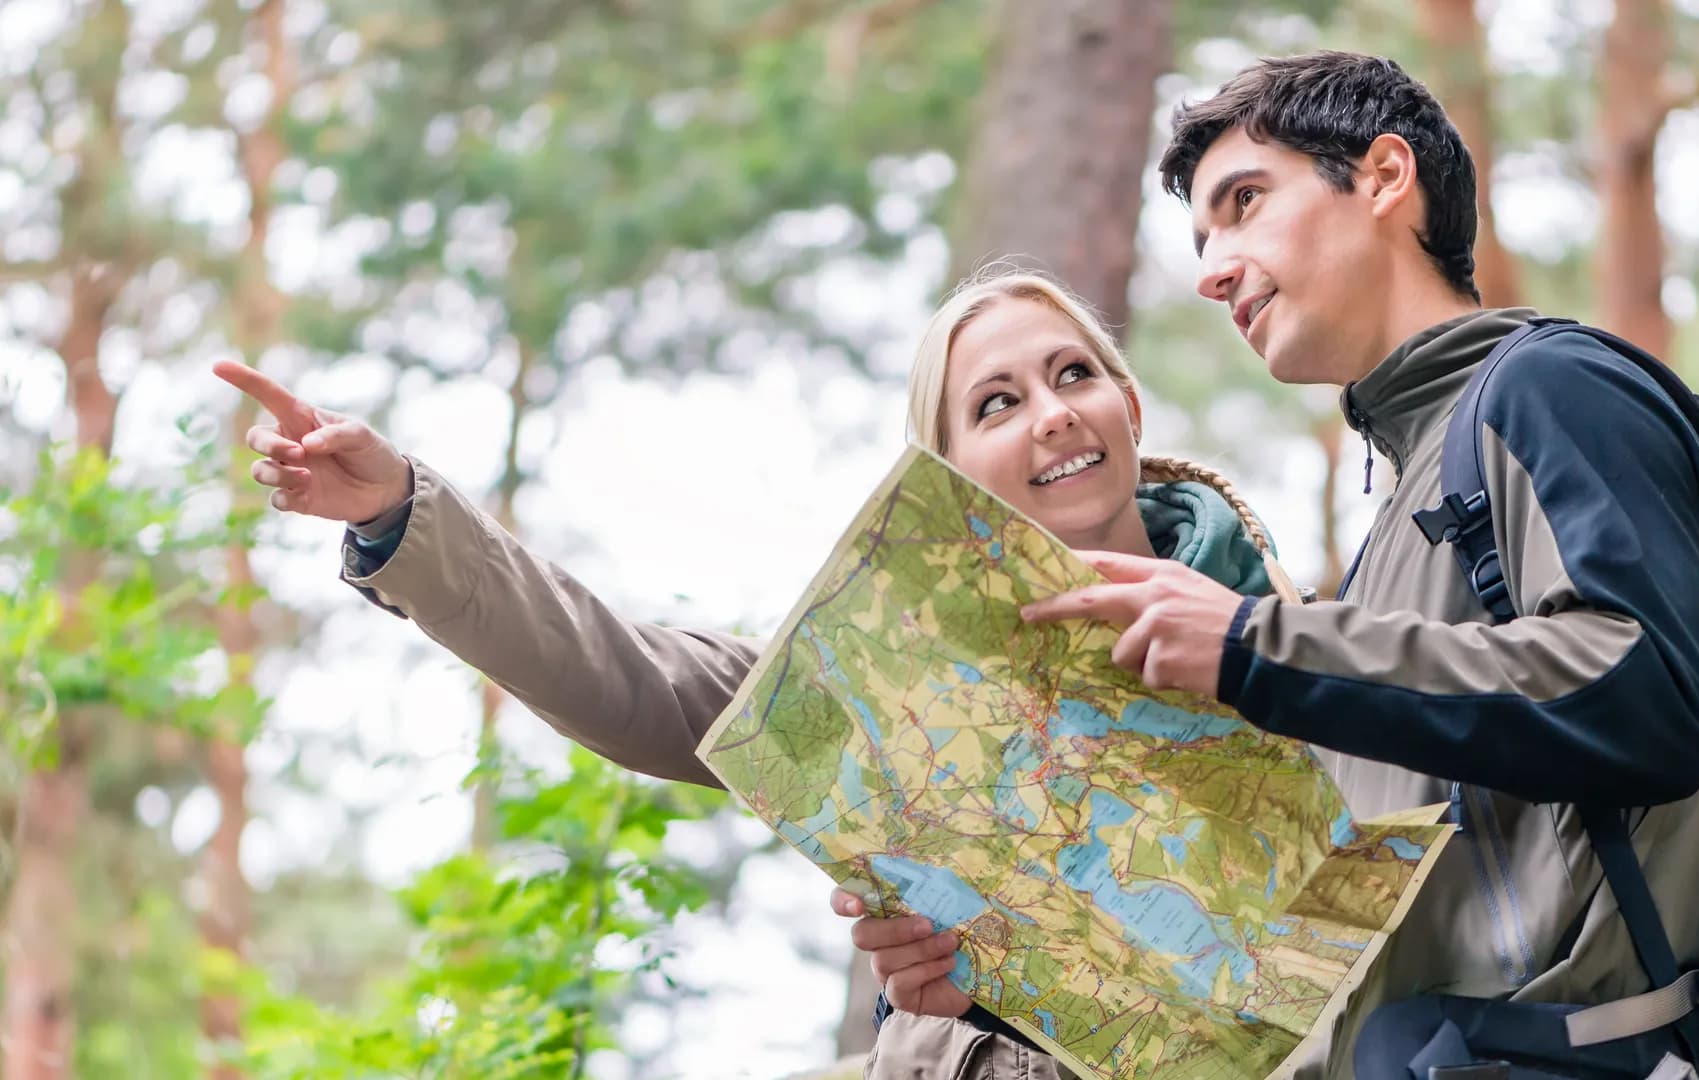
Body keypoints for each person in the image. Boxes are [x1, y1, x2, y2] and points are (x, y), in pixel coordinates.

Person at [217, 268, 1304, 1078]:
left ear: (1128, 407)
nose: (1053, 412)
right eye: (996, 402)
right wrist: (402, 513)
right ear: (948, 475)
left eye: (1073, 375)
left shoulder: (1305, 644)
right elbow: (630, 676)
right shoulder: (892, 684)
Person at [963, 51, 1699, 1078]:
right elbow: (1320, 943)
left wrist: (1253, 645)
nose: (1213, 271)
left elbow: (1644, 696)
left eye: (1245, 202)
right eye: (1203, 241)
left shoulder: (1553, 386)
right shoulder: (1398, 520)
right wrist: (987, 981)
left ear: (1383, 177)